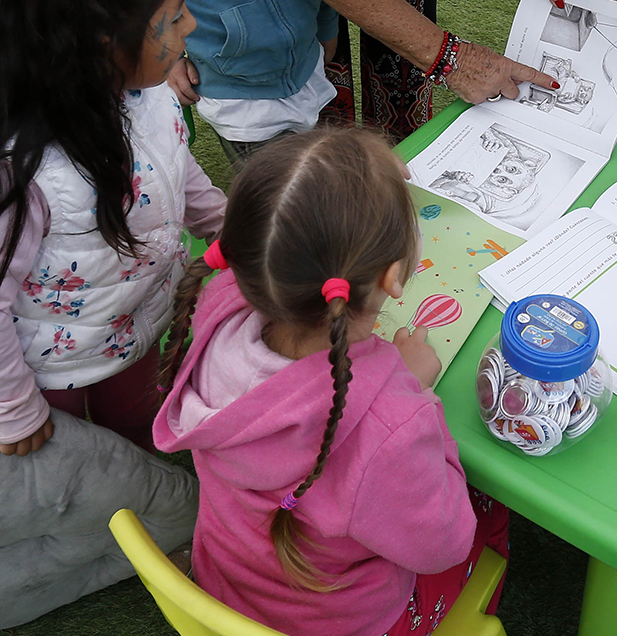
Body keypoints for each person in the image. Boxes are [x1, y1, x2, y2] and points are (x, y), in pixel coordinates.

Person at [153, 128, 509, 636]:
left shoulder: (218, 305)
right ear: (394, 280)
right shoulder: (390, 424)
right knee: (488, 512)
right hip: (341, 622)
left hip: (225, 587)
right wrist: (414, 392)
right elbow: (444, 544)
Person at [0, 0, 219, 624]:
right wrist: (15, 410)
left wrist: (231, 224)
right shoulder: (24, 170)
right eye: (173, 18)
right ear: (101, 47)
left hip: (132, 319)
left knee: (137, 426)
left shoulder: (149, 95)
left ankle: (147, 498)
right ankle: (114, 530)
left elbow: (180, 174)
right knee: (82, 465)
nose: (191, 28)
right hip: (47, 363)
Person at [169, 0, 562, 161]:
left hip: (306, 69)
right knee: (290, 197)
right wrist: (158, 45)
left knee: (326, 156)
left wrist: (323, 33)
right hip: (241, 100)